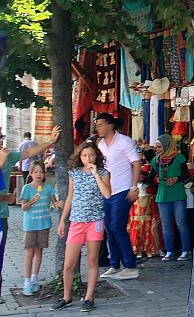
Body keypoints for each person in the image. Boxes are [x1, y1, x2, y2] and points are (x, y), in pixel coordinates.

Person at [0, 125, 60, 305]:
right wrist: (7, 197)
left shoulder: (8, 156)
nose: (1, 140)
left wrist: (50, 141)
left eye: (1, 136)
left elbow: (29, 152)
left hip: (2, 217)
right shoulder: (4, 159)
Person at [52, 140, 112, 312]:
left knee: (92, 260)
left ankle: (89, 297)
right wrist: (63, 220)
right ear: (80, 157)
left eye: (91, 155)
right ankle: (66, 296)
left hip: (95, 221)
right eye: (85, 155)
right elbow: (70, 197)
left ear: (97, 156)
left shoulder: (103, 173)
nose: (88, 158)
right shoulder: (74, 173)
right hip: (77, 221)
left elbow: (107, 194)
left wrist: (95, 175)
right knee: (69, 263)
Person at [95, 113, 141, 280]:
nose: (97, 128)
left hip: (122, 189)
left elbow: (136, 163)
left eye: (100, 124)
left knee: (117, 226)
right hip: (107, 191)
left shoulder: (124, 141)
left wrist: (134, 186)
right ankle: (114, 264)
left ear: (110, 125)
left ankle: (130, 265)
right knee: (108, 228)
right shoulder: (100, 144)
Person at [19, 160, 61, 296]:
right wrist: (31, 201)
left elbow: (54, 203)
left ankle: (34, 278)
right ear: (30, 173)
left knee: (39, 252)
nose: (39, 174)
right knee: (29, 252)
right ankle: (26, 282)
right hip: (30, 225)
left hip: (44, 224)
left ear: (44, 174)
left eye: (41, 172)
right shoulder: (27, 188)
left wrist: (58, 204)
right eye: (36, 172)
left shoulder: (48, 187)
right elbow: (23, 207)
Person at [153, 134, 192, 261]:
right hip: (163, 196)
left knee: (181, 223)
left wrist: (176, 179)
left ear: (166, 146)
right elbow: (151, 176)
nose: (157, 149)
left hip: (178, 195)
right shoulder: (156, 160)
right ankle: (169, 250)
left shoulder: (179, 158)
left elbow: (186, 175)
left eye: (159, 147)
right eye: (156, 147)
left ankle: (186, 250)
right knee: (165, 225)